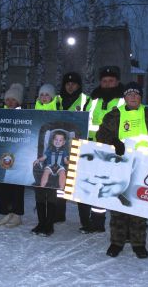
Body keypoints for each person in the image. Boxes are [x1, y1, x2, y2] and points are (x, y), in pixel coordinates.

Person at [97, 81, 148, 259]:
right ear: (124, 97)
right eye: (129, 94)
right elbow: (101, 134)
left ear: (140, 97)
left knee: (139, 206)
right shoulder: (114, 115)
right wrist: (115, 142)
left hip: (143, 168)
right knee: (118, 206)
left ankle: (138, 243)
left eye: (136, 94)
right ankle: (116, 242)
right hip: (119, 167)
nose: (133, 97)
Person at [79, 66, 125, 234]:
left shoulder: (124, 99)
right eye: (104, 81)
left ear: (117, 81)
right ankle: (97, 223)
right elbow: (84, 121)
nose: (107, 84)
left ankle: (120, 226)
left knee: (115, 188)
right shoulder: (93, 99)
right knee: (95, 187)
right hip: (92, 149)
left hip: (115, 150)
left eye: (111, 81)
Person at [55, 71, 89, 222]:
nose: (70, 86)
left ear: (79, 85)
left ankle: (84, 219)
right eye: (67, 84)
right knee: (60, 182)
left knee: (80, 185)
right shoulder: (56, 99)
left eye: (73, 84)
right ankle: (59, 214)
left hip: (79, 147)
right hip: (60, 146)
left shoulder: (86, 100)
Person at [0, 83, 26, 228]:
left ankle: (17, 214)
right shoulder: (0, 115)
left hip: (19, 156)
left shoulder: (25, 115)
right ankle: (6, 213)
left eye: (13, 100)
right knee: (4, 185)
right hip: (4, 154)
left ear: (18, 101)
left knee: (17, 185)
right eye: (8, 100)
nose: (10, 102)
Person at [32, 83, 60, 236]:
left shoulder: (58, 112)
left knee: (51, 192)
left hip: (53, 159)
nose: (44, 97)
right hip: (38, 156)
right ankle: (41, 222)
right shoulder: (34, 112)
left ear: (52, 97)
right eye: (41, 94)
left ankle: (49, 224)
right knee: (39, 191)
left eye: (47, 95)